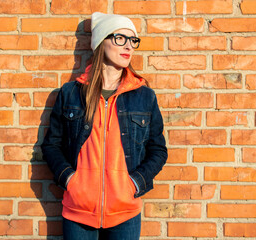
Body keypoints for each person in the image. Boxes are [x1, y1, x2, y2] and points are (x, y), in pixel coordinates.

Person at [41, 12, 168, 240]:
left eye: (133, 40)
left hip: (125, 214)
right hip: (78, 213)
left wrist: (134, 183)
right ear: (101, 42)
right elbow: (52, 145)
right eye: (120, 38)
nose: (128, 46)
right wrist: (70, 180)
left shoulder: (144, 97)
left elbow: (158, 150)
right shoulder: (71, 94)